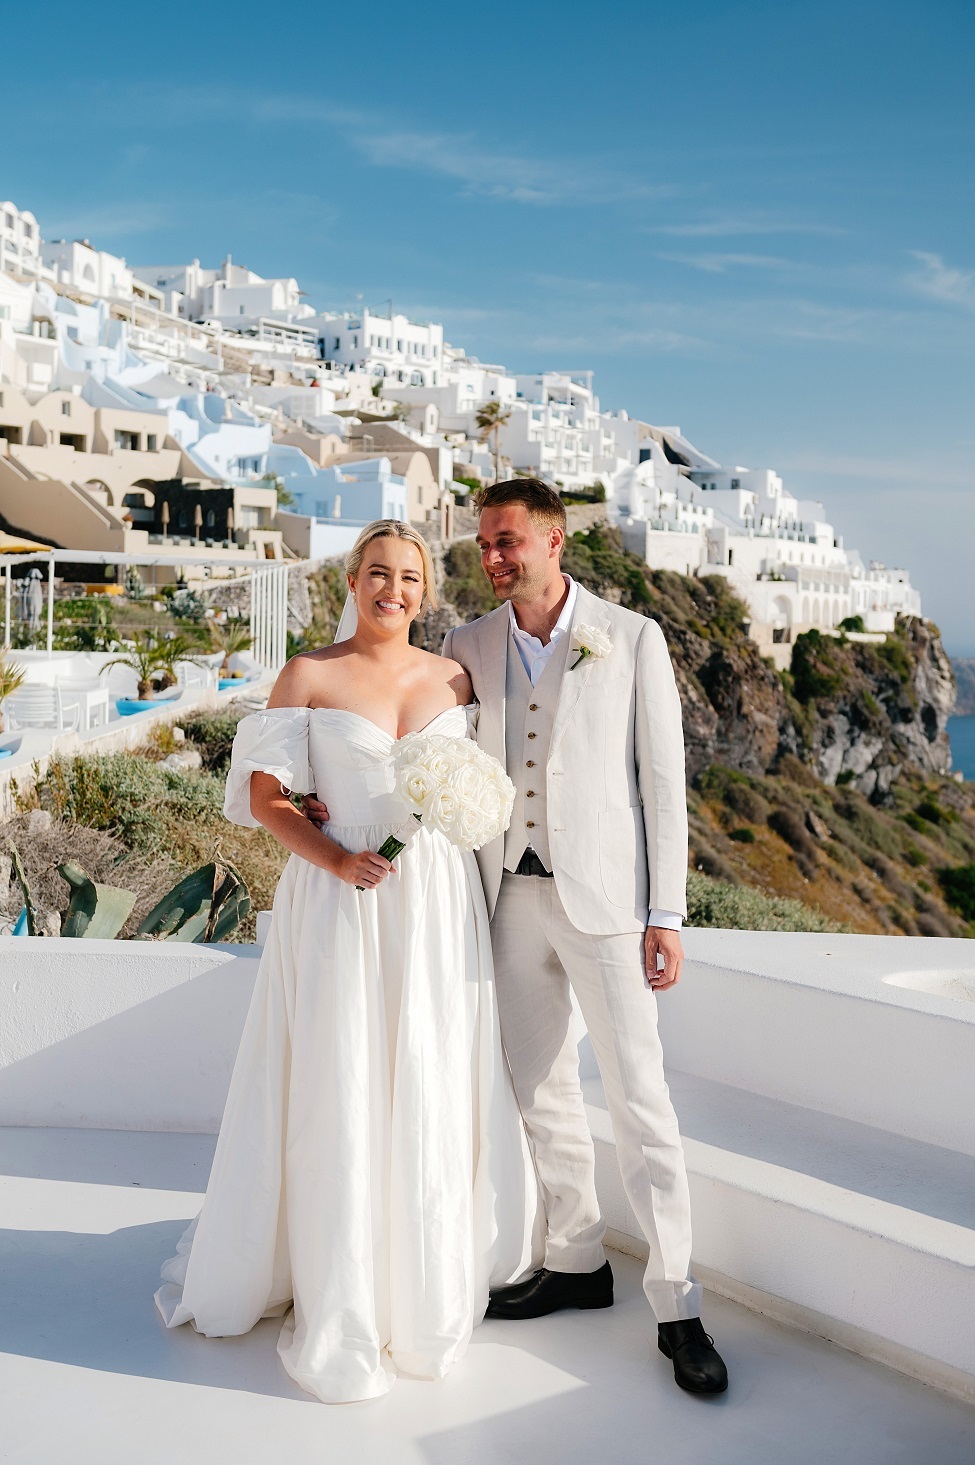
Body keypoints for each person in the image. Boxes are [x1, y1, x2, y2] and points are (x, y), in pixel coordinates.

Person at [155, 519, 535, 1404]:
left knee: (425, 1066)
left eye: (409, 577)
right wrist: (334, 856)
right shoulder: (308, 675)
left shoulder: (454, 677)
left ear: (425, 591)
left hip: (432, 902)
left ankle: (417, 1273)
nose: (392, 589)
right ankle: (338, 1274)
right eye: (377, 572)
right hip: (337, 900)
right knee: (340, 1073)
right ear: (352, 580)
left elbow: (486, 780)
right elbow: (265, 801)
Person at [443, 479, 728, 1396]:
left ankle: (677, 1304)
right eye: (484, 543)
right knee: (540, 1088)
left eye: (507, 540)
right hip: (506, 897)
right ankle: (574, 1258)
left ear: (554, 539)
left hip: (605, 904)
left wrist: (666, 912)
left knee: (641, 1099)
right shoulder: (466, 643)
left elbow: (661, 783)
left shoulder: (631, 636)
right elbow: (435, 750)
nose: (492, 557)